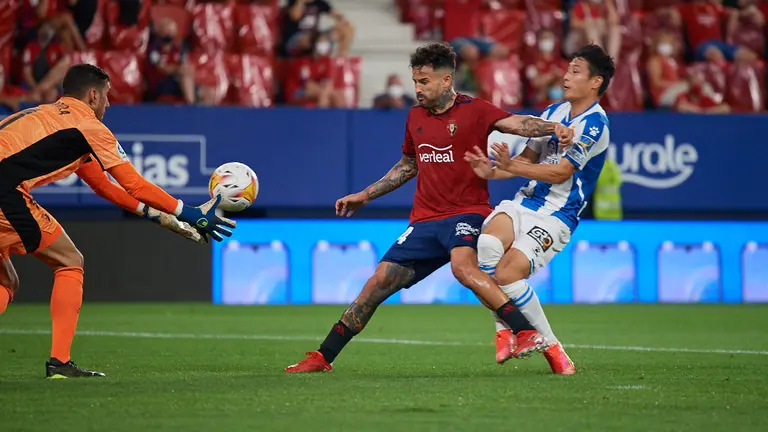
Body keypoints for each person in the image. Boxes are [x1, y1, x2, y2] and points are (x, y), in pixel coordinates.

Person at [285, 42, 574, 373]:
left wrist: (554, 128)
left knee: (463, 268)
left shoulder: (475, 110)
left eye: (424, 82)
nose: (418, 89)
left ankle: (525, 331)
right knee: (378, 282)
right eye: (415, 82)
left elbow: (519, 124)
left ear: (446, 80)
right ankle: (324, 356)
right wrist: (366, 195)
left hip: (467, 213)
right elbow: (409, 165)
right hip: (424, 221)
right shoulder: (415, 116)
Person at [0, 64, 236, 379]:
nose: (109, 104)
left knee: (6, 281)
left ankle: (60, 362)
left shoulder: (45, 117)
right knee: (70, 261)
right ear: (94, 94)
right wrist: (188, 212)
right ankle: (59, 362)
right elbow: (134, 185)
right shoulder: (89, 127)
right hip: (5, 193)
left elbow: (104, 187)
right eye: (107, 96)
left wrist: (164, 219)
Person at [464, 44, 615, 375]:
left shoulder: (595, 125)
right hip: (524, 201)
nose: (566, 75)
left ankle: (551, 347)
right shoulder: (552, 113)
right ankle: (506, 329)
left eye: (576, 71)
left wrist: (513, 169)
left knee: (506, 274)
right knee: (486, 246)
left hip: (557, 215)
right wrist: (491, 169)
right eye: (568, 69)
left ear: (595, 82)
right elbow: (524, 162)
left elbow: (561, 172)